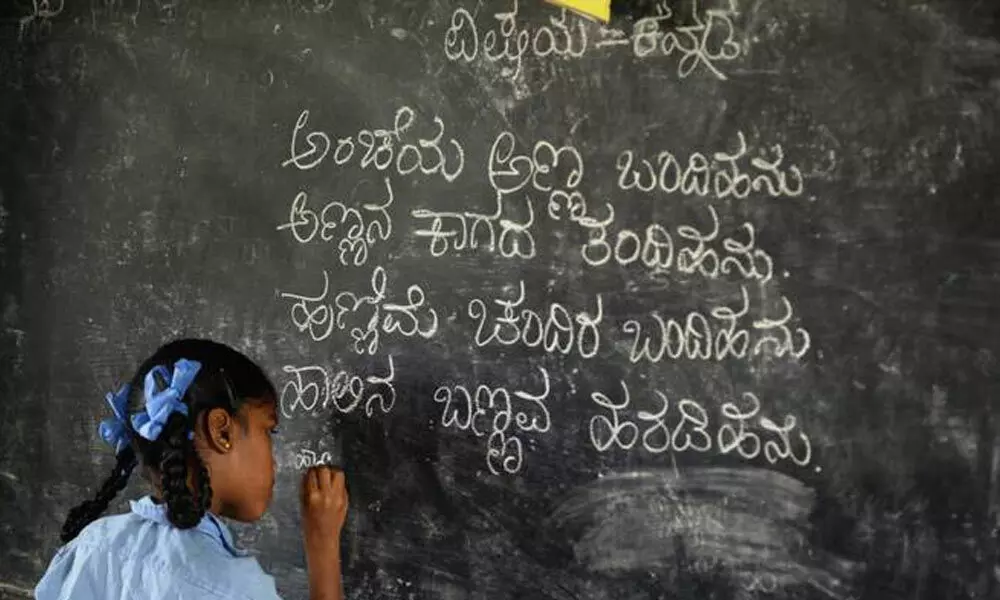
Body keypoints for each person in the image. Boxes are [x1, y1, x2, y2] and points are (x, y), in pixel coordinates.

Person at [35, 338, 348, 600]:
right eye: (269, 431)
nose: (275, 459)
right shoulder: (234, 590)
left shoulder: (94, 543)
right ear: (221, 431)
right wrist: (323, 545)